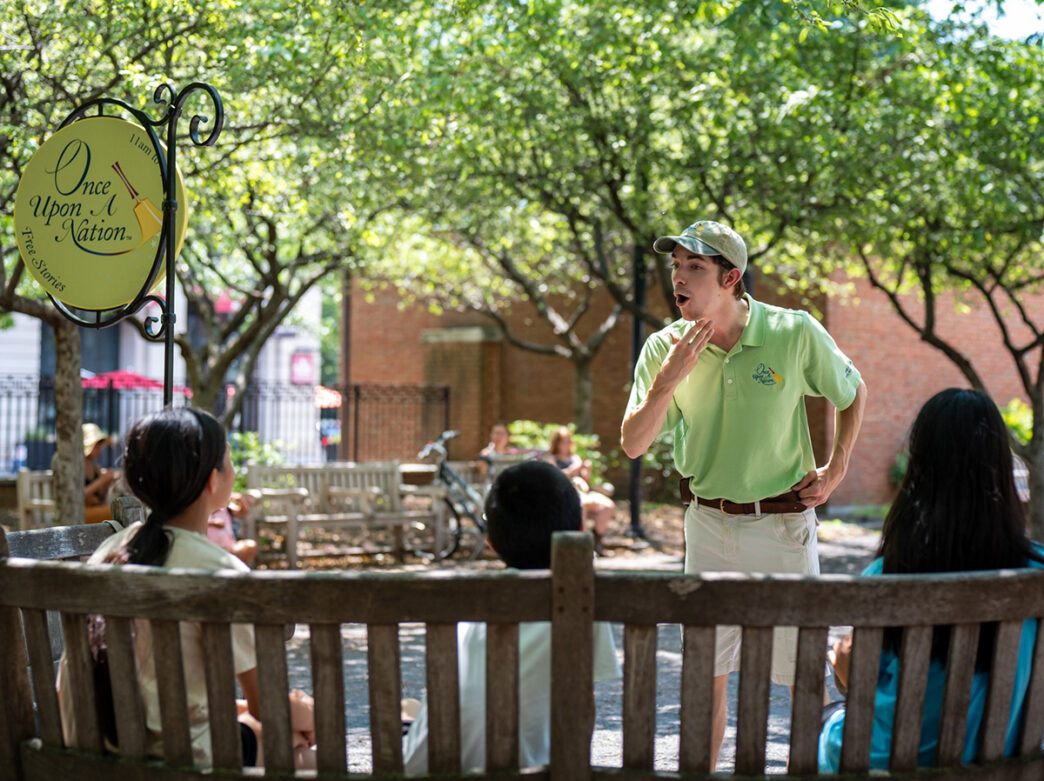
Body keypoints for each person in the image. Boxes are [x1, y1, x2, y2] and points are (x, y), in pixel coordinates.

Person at [620, 219, 867, 767]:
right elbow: (634, 443)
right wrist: (669, 378)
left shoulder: (793, 331)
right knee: (704, 680)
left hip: (782, 527)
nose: (678, 279)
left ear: (731, 277)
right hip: (706, 527)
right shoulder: (663, 347)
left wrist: (836, 468)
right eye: (676, 266)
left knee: (803, 677)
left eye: (695, 268)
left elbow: (852, 391)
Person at [56, 407, 316, 769]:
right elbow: (267, 705)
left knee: (280, 735)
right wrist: (309, 715)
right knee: (300, 752)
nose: (234, 471)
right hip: (173, 758)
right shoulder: (221, 570)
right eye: (228, 461)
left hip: (89, 748)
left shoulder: (109, 551)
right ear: (213, 481)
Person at [818, 388, 1044, 771]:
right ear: (1001, 469)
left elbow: (868, 683)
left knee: (830, 721)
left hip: (895, 761)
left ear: (919, 470)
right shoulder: (1035, 575)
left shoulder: (889, 576)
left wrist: (844, 668)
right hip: (1005, 760)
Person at [402, 460, 621, 774]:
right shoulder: (582, 599)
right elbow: (581, 710)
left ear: (491, 542)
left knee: (409, 711)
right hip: (535, 772)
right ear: (580, 531)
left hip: (435, 769)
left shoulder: (470, 604)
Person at [545, 425, 615, 555]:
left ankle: (596, 540)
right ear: (557, 443)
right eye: (563, 441)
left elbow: (585, 482)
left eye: (568, 441)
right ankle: (582, 545)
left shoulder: (575, 458)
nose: (566, 444)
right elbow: (555, 477)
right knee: (580, 506)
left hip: (582, 491)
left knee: (607, 505)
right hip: (564, 493)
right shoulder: (552, 459)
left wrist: (586, 470)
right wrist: (572, 470)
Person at [207, 491, 259, 565]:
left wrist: (240, 499)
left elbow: (244, 512)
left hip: (229, 548)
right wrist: (212, 523)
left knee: (250, 545)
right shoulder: (204, 508)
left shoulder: (227, 508)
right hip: (209, 547)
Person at [83, 422, 120, 523]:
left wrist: (107, 483)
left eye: (100, 447)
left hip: (95, 508)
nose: (99, 451)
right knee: (115, 512)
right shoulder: (77, 468)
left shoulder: (95, 467)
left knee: (119, 509)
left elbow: (101, 498)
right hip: (82, 511)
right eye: (96, 447)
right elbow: (79, 496)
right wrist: (101, 480)